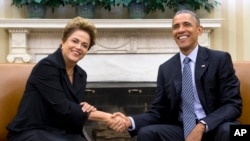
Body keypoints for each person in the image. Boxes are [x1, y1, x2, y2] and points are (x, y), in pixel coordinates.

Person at [110, 9, 242, 141]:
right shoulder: (166, 69)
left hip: (216, 126)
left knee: (235, 132)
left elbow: (233, 104)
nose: (181, 30)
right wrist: (129, 121)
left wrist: (202, 125)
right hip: (183, 130)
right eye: (176, 27)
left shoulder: (219, 59)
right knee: (147, 133)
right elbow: (158, 111)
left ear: (199, 30)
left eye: (187, 24)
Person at [6, 17, 125, 141]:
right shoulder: (46, 66)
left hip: (60, 132)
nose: (79, 47)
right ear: (63, 41)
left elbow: (75, 109)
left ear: (87, 51)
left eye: (84, 45)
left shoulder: (81, 75)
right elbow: (64, 108)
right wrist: (106, 117)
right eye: (74, 41)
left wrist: (85, 108)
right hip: (31, 132)